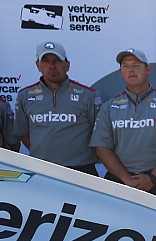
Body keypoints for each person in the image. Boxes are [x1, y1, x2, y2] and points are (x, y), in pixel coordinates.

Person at [90, 48, 156, 204]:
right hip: (120, 181)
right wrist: (126, 179)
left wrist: (153, 177)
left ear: (148, 69)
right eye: (125, 66)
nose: (131, 70)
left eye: (135, 65)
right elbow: (102, 148)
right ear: (121, 72)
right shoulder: (109, 107)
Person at [14, 41, 100, 174]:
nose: (52, 66)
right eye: (46, 61)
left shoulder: (88, 95)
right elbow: (23, 134)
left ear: (67, 65)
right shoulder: (24, 95)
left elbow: (100, 135)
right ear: (38, 65)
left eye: (57, 60)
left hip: (83, 170)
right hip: (41, 170)